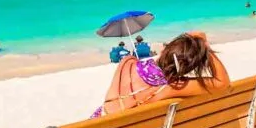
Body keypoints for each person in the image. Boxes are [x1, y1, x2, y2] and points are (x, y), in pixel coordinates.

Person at [99, 31, 231, 116]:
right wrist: (205, 47)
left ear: (164, 49)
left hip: (99, 124)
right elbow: (222, 83)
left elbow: (144, 67)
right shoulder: (172, 87)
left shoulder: (127, 63)